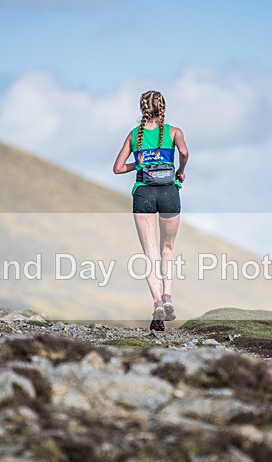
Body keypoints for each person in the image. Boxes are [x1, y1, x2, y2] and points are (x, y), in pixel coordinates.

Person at [113, 90, 189, 331]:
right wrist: (180, 170)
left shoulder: (134, 135)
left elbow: (117, 168)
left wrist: (142, 163)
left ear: (142, 109)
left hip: (143, 193)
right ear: (164, 108)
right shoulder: (174, 132)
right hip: (169, 192)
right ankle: (168, 297)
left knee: (150, 253)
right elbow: (185, 153)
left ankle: (156, 302)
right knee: (168, 249)